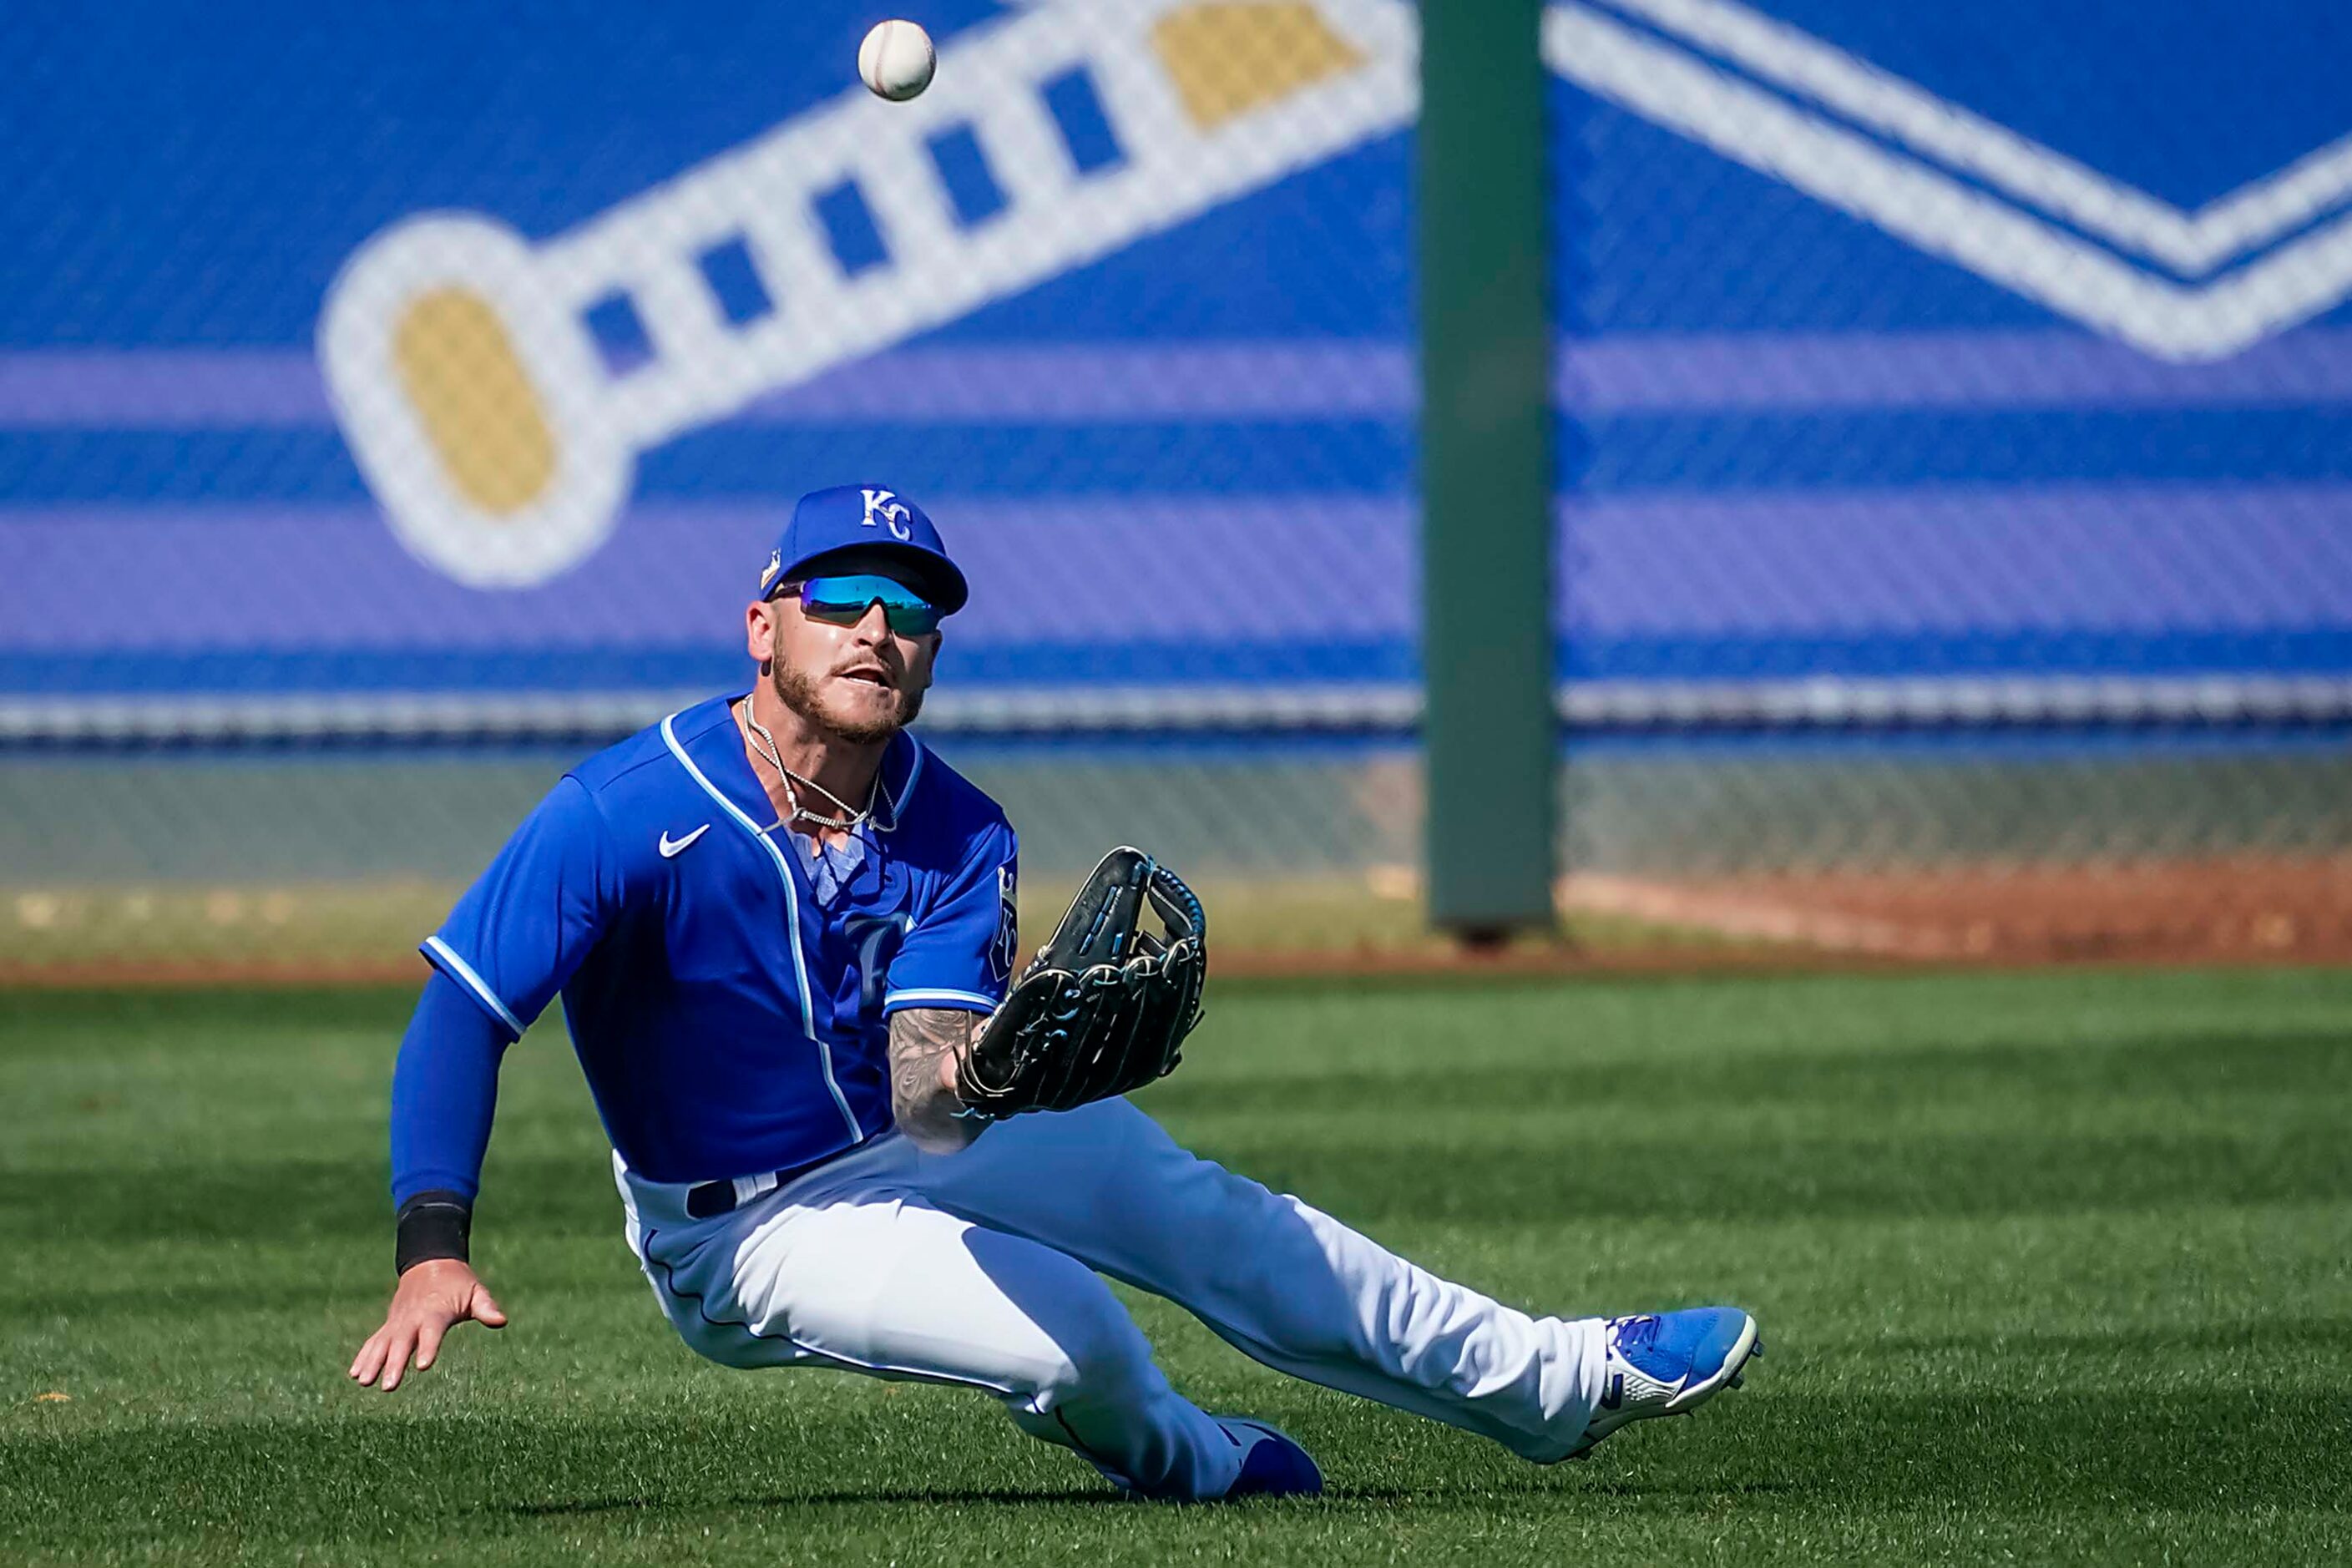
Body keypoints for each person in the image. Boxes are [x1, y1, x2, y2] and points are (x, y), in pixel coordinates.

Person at [347, 483, 1762, 1500]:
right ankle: (1191, 1457)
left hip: (899, 1139)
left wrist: (991, 1076)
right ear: (761, 626)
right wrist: (431, 1239)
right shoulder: (617, 812)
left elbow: (923, 1090)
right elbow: (462, 1012)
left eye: (910, 611)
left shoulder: (959, 826)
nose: (876, 628)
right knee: (1076, 1335)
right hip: (749, 1227)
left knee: (1215, 1216)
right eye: (838, 597)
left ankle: (1562, 1381)